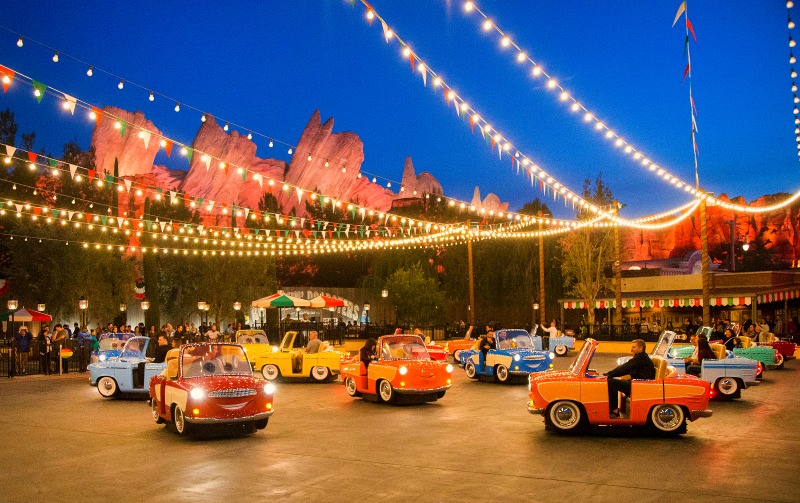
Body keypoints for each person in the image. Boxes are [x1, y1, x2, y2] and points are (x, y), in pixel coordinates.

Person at [604, 339, 655, 418]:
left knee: (611, 382)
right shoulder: (640, 357)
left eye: (634, 347)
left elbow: (625, 368)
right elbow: (626, 369)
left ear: (641, 348)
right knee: (614, 381)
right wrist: (611, 374)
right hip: (638, 383)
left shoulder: (641, 358)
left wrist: (609, 374)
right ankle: (614, 409)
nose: (631, 349)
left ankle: (614, 411)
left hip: (640, 385)